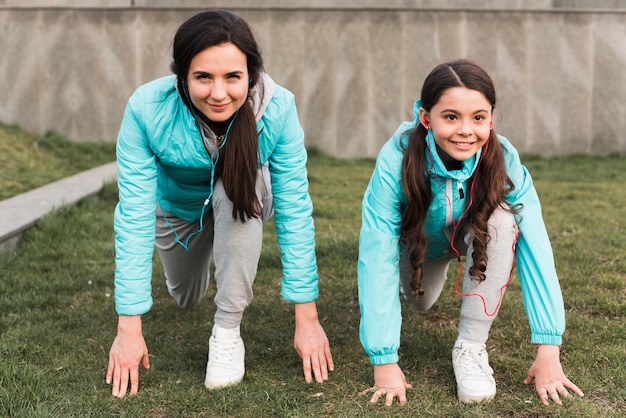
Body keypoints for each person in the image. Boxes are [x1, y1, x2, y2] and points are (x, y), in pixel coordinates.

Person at [106, 9, 334, 398]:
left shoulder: (277, 110)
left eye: (233, 77)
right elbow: (134, 215)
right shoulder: (147, 108)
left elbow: (296, 208)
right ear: (182, 77)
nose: (218, 93)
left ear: (252, 74)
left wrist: (307, 317)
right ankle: (206, 260)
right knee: (185, 296)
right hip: (179, 209)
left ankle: (227, 332)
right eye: (203, 77)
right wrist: (128, 328)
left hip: (241, 199)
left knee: (235, 186)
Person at [358, 59, 584, 406]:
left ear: (490, 119)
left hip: (476, 238)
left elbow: (536, 247)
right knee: (419, 302)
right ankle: (431, 274)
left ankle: (470, 347)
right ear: (425, 117)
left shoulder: (504, 158)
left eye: (478, 118)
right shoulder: (396, 159)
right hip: (420, 247)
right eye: (451, 117)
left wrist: (549, 347)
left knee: (505, 220)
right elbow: (377, 253)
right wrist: (384, 360)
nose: (466, 130)